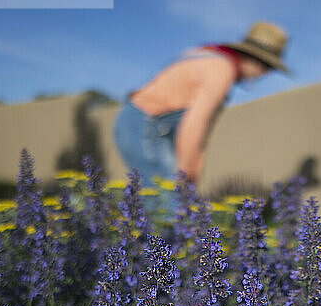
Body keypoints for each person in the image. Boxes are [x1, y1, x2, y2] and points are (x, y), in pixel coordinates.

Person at [113, 21, 291, 215]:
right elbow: (195, 124)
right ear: (254, 60)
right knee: (168, 201)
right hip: (145, 125)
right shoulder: (222, 70)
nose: (263, 75)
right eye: (266, 67)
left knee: (159, 199)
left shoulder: (209, 56)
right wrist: (186, 174)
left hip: (141, 124)